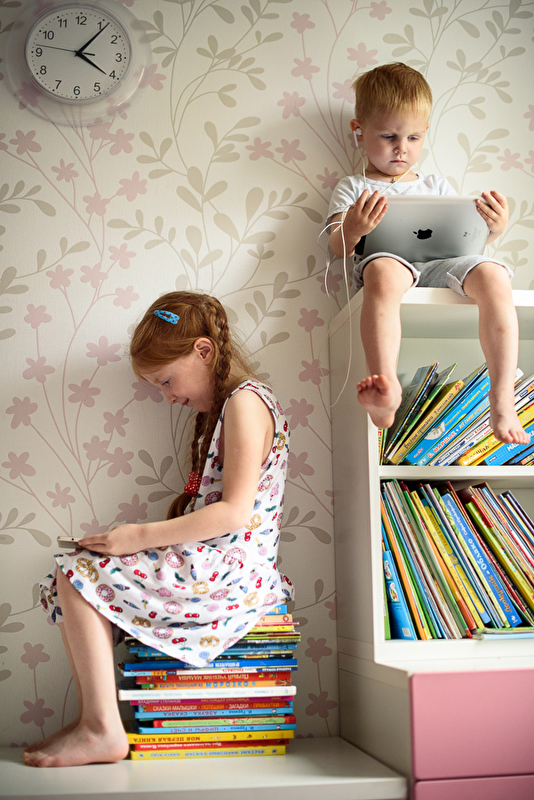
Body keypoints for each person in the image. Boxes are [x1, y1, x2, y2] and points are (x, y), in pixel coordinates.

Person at [24, 290, 293, 768]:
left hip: (230, 570)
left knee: (74, 572)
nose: (168, 398)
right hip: (221, 562)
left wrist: (136, 537)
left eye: (166, 382)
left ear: (204, 351)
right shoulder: (230, 407)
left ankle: (101, 728)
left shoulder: (246, 403)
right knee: (68, 576)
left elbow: (233, 513)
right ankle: (92, 720)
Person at [327, 62, 529, 446]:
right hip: (388, 263)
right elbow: (338, 247)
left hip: (441, 262)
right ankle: (386, 388)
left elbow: (465, 243)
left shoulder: (436, 184)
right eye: (389, 136)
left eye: (414, 137)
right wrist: (353, 227)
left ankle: (502, 396)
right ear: (359, 131)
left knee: (494, 274)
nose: (401, 148)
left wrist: (494, 228)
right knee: (382, 272)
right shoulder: (353, 187)